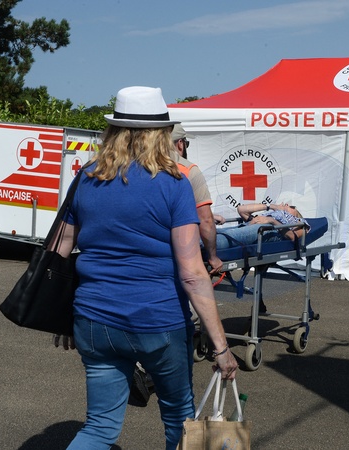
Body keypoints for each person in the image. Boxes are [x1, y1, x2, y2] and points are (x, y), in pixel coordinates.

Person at [51, 86, 238, 450]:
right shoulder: (174, 184)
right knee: (179, 419)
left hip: (93, 320)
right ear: (162, 134)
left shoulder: (86, 178)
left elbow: (59, 250)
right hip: (159, 321)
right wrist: (221, 347)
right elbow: (192, 273)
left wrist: (62, 317)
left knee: (99, 428)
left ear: (113, 131)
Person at [171, 123, 223, 274]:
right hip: (182, 245)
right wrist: (213, 257)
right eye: (186, 143)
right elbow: (205, 220)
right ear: (180, 144)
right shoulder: (188, 170)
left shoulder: (139, 166)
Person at [216, 202, 310, 249]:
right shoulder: (272, 213)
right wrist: (271, 206)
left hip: (269, 230)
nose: (286, 204)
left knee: (228, 237)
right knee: (218, 232)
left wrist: (271, 221)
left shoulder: (301, 222)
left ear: (297, 214)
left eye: (291, 206)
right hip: (252, 225)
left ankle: (206, 246)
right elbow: (241, 209)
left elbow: (293, 237)